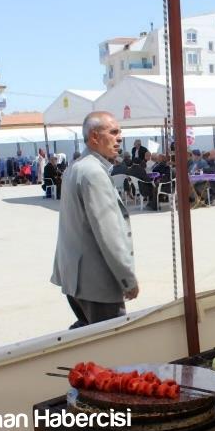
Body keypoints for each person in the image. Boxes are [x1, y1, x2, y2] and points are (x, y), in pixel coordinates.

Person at [51, 111, 138, 329]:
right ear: (94, 137)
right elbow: (109, 234)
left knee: (88, 341)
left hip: (76, 280)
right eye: (113, 132)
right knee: (111, 349)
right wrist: (127, 279)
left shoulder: (78, 167)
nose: (119, 138)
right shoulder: (93, 173)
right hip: (96, 285)